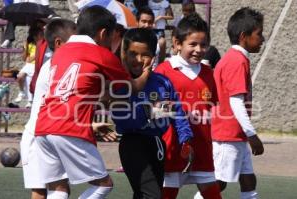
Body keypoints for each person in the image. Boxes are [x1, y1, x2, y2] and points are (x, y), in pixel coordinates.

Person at [34, 6, 152, 199]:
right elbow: (132, 87)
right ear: (103, 33)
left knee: (58, 189)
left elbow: (84, 87)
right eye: (111, 38)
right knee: (103, 185)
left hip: (43, 127)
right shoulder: (99, 53)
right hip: (69, 127)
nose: (110, 43)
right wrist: (148, 71)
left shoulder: (61, 51)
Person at [112, 28, 194, 199]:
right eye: (133, 54)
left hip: (157, 145)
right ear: (124, 54)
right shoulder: (121, 84)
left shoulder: (162, 82)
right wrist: (155, 110)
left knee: (145, 195)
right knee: (151, 195)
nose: (139, 60)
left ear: (154, 57)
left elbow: (177, 110)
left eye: (145, 55)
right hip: (132, 144)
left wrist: (185, 139)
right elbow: (124, 121)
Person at [155, 13, 222, 199]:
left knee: (213, 194)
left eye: (203, 45)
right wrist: (173, 112)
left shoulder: (209, 73)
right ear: (177, 43)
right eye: (192, 44)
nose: (199, 49)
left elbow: (210, 108)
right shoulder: (163, 71)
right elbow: (153, 111)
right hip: (173, 148)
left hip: (202, 149)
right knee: (167, 194)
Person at [211, 7, 265, 199]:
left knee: (248, 179)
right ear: (244, 36)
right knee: (218, 183)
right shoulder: (236, 60)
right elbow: (235, 102)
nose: (263, 39)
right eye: (259, 34)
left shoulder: (237, 58)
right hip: (228, 134)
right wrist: (252, 134)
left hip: (236, 134)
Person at [20, 18, 76, 199]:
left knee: (60, 188)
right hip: (38, 136)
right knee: (42, 190)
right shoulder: (52, 67)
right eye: (74, 41)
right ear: (59, 43)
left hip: (49, 134)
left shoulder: (59, 66)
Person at [14, 25, 44, 108]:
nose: (37, 36)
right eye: (35, 35)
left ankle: (30, 101)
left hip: (37, 65)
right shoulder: (30, 43)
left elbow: (37, 56)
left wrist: (33, 57)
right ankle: (21, 92)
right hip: (30, 65)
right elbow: (25, 59)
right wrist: (25, 47)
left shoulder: (43, 43)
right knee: (20, 76)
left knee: (28, 79)